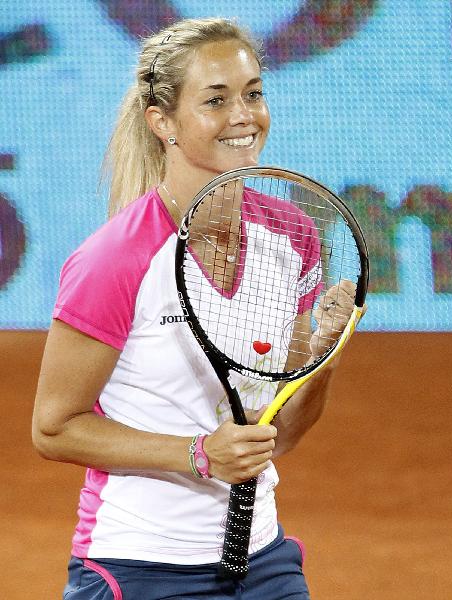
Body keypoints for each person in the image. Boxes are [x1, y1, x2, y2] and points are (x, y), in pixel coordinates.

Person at [32, 17, 359, 600]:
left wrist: (322, 357)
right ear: (163, 122)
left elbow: (277, 435)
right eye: (215, 100)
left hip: (262, 559)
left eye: (253, 93)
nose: (243, 115)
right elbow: (54, 428)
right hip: (138, 566)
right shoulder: (114, 260)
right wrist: (198, 454)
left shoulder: (292, 235)